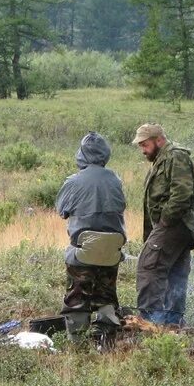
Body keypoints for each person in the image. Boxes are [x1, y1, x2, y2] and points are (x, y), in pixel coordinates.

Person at [132, 123, 194, 326]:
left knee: (149, 267)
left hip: (176, 223)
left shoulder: (175, 156)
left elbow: (182, 194)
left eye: (145, 145)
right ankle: (172, 323)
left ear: (159, 140)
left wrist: (165, 221)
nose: (143, 150)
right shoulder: (163, 158)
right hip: (176, 225)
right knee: (176, 272)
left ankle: (148, 323)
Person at [55, 132, 127, 341]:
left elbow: (62, 211)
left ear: (82, 154)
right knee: (106, 295)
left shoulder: (74, 181)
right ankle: (106, 341)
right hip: (111, 251)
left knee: (77, 296)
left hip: (84, 252)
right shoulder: (115, 179)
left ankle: (77, 344)